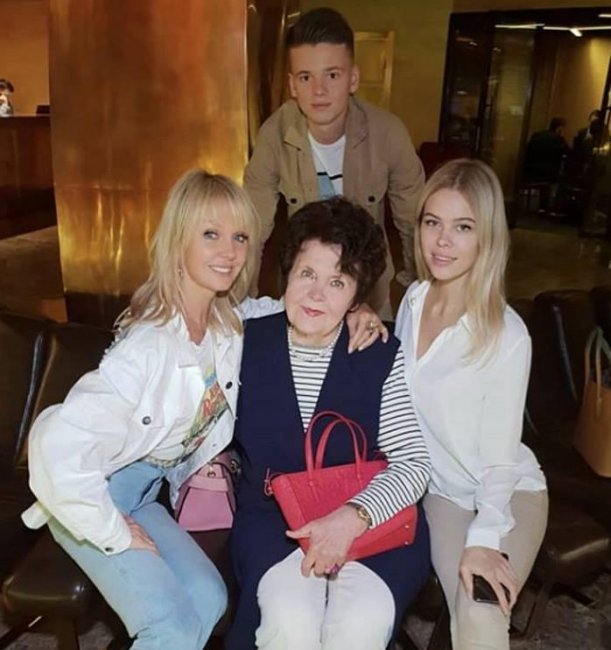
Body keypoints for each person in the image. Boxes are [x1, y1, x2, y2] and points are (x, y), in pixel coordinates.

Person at [21, 170, 262, 650]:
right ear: (178, 239)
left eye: (239, 237)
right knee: (170, 628)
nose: (229, 251)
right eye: (210, 234)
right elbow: (57, 448)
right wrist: (114, 532)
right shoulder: (149, 346)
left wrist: (353, 310)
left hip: (143, 492)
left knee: (208, 599)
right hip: (93, 493)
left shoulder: (222, 324)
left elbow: (282, 309)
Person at [226, 197, 432, 650]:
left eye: (337, 282)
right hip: (273, 522)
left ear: (357, 296)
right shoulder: (243, 341)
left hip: (371, 519)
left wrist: (352, 518)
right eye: (307, 274)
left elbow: (414, 463)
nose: (317, 294)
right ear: (287, 275)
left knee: (359, 625)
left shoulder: (378, 352)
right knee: (291, 623)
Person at [395, 159, 548, 650]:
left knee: (480, 614)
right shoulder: (413, 300)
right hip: (440, 494)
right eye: (432, 222)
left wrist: (484, 540)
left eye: (463, 227)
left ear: (487, 238)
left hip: (504, 493)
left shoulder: (506, 335)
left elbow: (501, 461)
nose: (442, 241)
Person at [244, 7, 424, 319]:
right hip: (305, 298)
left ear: (353, 79)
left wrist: (420, 301)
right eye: (306, 77)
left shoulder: (388, 133)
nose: (319, 90)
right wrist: (239, 310)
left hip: (368, 298)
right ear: (292, 86)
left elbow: (415, 225)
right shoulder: (274, 135)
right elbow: (250, 230)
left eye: (332, 75)